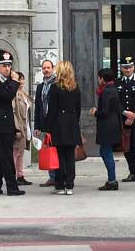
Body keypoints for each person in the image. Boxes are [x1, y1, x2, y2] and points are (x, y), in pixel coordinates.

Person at [0, 52, 25, 196]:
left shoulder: (6, 82)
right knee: (7, 157)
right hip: (1, 125)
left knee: (2, 156)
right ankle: (12, 187)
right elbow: (7, 95)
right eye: (4, 66)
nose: (7, 68)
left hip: (7, 124)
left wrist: (13, 81)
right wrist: (15, 81)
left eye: (9, 65)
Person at [44, 60, 81, 195]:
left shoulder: (55, 87)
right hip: (72, 124)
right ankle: (70, 185)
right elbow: (78, 109)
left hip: (58, 125)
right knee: (70, 157)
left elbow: (52, 110)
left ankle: (59, 185)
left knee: (59, 156)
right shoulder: (75, 87)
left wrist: (47, 128)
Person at [91, 68, 121, 191]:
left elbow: (105, 112)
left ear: (103, 78)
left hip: (107, 127)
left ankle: (112, 180)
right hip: (111, 125)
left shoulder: (107, 91)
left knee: (106, 153)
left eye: (99, 78)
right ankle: (111, 179)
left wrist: (95, 112)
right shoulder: (112, 89)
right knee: (105, 152)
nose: (98, 80)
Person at [34, 59, 57, 187]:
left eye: (48, 67)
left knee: (57, 150)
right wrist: (37, 125)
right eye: (44, 68)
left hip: (55, 124)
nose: (46, 70)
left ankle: (60, 176)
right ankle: (52, 177)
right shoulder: (40, 87)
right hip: (44, 123)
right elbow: (38, 107)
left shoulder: (57, 84)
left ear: (53, 68)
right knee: (48, 150)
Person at [12, 70, 32, 186]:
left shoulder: (23, 93)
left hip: (26, 126)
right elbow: (14, 112)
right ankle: (12, 176)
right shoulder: (14, 94)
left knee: (21, 153)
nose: (22, 81)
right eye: (19, 79)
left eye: (23, 78)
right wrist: (17, 128)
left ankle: (20, 175)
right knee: (15, 152)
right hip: (19, 126)